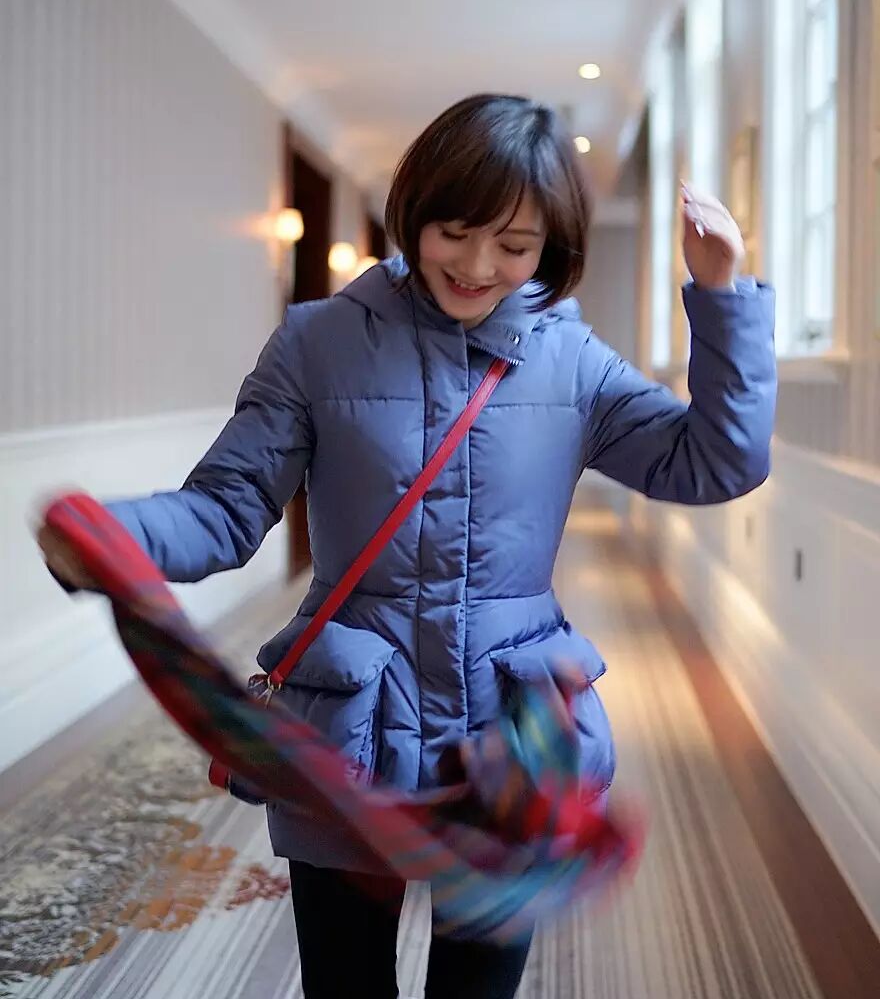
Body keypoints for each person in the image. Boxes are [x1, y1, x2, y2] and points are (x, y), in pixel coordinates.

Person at [38, 93, 777, 999]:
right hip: (350, 725)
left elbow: (715, 462)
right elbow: (226, 508)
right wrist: (115, 535)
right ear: (416, 211)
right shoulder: (317, 343)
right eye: (454, 232)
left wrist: (722, 299)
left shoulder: (574, 362)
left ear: (552, 247)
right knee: (345, 983)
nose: (476, 266)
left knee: (479, 988)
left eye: (514, 246)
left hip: (510, 733)